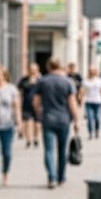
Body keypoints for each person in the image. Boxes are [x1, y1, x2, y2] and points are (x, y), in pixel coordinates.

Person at [32, 58, 80, 189]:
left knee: (48, 150)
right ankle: (61, 177)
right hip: (64, 120)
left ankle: (51, 177)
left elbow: (36, 102)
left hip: (48, 119)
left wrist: (39, 114)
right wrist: (77, 120)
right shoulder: (68, 82)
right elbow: (72, 103)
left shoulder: (42, 81)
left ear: (48, 67)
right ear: (61, 66)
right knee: (62, 150)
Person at [80, 66, 101, 139]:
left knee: (97, 118)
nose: (91, 72)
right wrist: (81, 97)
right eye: (90, 70)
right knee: (89, 118)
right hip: (89, 102)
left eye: (93, 70)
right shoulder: (85, 81)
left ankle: (97, 131)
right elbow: (82, 91)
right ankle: (90, 133)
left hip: (98, 102)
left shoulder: (100, 80)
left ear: (95, 72)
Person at [17, 62, 40, 148]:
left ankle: (36, 138)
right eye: (30, 69)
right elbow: (20, 90)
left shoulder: (40, 80)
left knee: (37, 124)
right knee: (28, 122)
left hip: (38, 105)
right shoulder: (24, 80)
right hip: (27, 103)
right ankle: (29, 140)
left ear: (37, 70)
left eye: (34, 70)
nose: (32, 71)